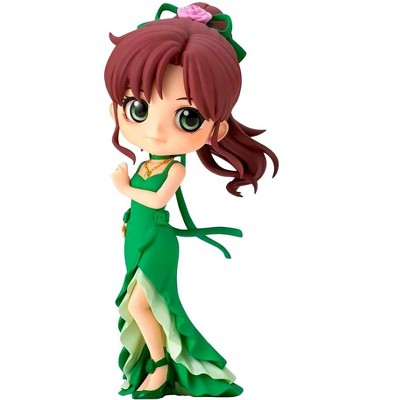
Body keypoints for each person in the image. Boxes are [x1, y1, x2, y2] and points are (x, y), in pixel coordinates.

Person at [104, 3, 278, 398]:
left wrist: (124, 188)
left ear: (217, 129)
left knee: (147, 305)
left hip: (158, 244)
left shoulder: (175, 170)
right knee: (137, 304)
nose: (156, 131)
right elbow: (143, 204)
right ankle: (158, 364)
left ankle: (162, 366)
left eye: (187, 118)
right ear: (116, 108)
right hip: (137, 237)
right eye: (138, 108)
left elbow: (157, 201)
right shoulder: (148, 163)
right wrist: (128, 217)